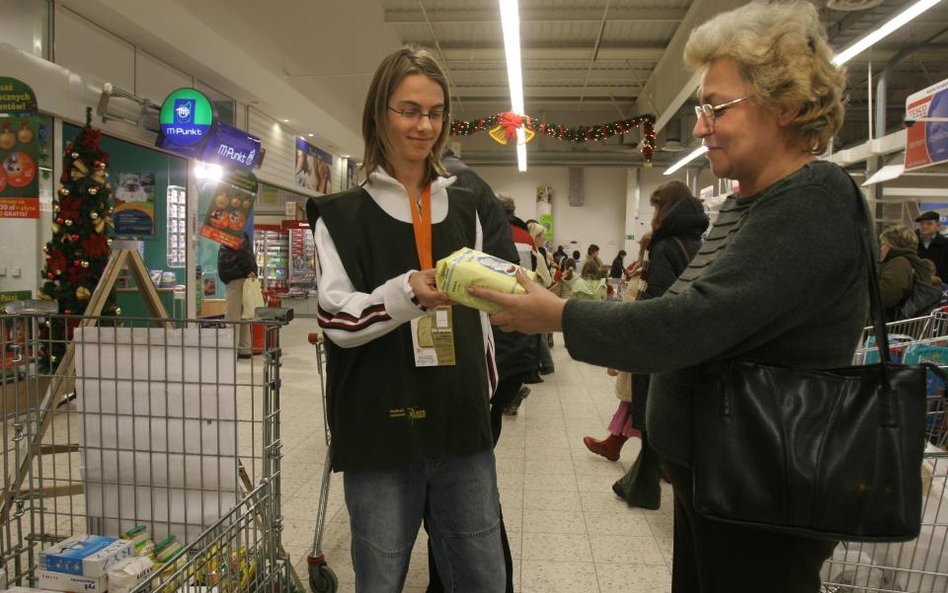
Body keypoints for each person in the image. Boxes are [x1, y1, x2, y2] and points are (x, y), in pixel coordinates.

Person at [469, 2, 867, 591]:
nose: (700, 124)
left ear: (786, 105)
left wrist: (558, 315)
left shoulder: (812, 201)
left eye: (716, 107)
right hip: (722, 479)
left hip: (764, 488)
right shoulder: (749, 202)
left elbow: (689, 321)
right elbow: (684, 310)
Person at [307, 45, 505, 593]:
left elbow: (480, 319)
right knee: (380, 575)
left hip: (461, 425)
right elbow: (335, 319)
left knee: (482, 574)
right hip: (380, 428)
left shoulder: (465, 208)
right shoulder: (341, 217)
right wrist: (404, 294)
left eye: (435, 112)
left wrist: (485, 392)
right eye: (409, 109)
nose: (424, 125)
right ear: (379, 114)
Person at [434, 148, 531, 593]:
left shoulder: (455, 188)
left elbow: (490, 287)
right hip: (486, 359)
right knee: (466, 488)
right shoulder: (473, 184)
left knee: (469, 493)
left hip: (469, 361)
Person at [610, 181, 709, 510]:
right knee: (662, 421)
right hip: (689, 343)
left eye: (655, 207)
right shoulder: (698, 243)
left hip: (662, 344)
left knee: (654, 419)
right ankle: (639, 485)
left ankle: (643, 488)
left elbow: (661, 299)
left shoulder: (666, 247)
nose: (652, 214)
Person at [879, 224, 940, 321]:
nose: (881, 248)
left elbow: (886, 296)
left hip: (892, 326)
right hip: (907, 327)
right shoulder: (916, 263)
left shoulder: (898, 263)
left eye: (883, 244)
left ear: (894, 246)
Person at [217, 231, 258, 359]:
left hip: (236, 278)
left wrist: (250, 270)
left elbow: (243, 254)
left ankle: (231, 351)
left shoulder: (234, 235)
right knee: (244, 315)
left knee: (232, 316)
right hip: (240, 278)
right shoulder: (237, 234)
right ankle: (244, 349)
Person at [915, 210, 948, 281]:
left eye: (929, 224)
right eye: (922, 224)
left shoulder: (945, 244)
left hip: (941, 286)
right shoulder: (912, 242)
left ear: (938, 226)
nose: (924, 226)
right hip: (917, 285)